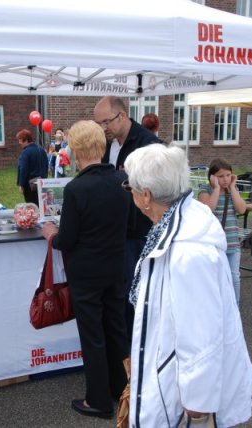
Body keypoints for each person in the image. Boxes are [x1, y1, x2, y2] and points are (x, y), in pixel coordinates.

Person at [122, 144, 252, 427]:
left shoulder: (189, 251)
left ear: (146, 196)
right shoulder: (172, 225)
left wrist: (197, 407)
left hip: (180, 393)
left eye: (129, 187)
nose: (129, 194)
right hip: (167, 371)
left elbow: (202, 335)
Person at [41, 120, 131, 420]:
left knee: (92, 334)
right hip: (115, 266)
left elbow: (67, 240)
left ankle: (98, 400)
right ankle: (122, 390)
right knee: (116, 329)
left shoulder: (76, 188)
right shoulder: (122, 181)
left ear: (75, 150)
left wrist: (51, 234)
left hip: (87, 273)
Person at [94, 95, 163, 344]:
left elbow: (158, 191)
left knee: (134, 296)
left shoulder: (148, 144)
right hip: (114, 231)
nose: (103, 128)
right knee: (117, 295)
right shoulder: (108, 144)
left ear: (122, 116)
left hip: (137, 234)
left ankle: (136, 351)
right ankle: (122, 350)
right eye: (99, 124)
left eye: (106, 122)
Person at [198, 158, 247, 304]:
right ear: (212, 177)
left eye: (228, 175)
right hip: (213, 243)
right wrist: (216, 189)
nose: (225, 179)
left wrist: (233, 188)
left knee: (234, 276)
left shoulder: (232, 191)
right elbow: (208, 209)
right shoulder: (205, 190)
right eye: (221, 176)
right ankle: (215, 305)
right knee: (213, 277)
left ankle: (235, 306)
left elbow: (241, 209)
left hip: (232, 242)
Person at [16, 128, 48, 204]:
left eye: (20, 140)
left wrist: (21, 184)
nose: (19, 142)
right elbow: (46, 166)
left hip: (30, 185)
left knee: (31, 206)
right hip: (42, 182)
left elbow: (23, 169)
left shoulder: (25, 152)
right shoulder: (41, 150)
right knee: (41, 205)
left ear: (26, 140)